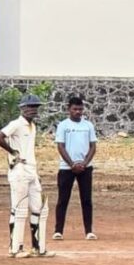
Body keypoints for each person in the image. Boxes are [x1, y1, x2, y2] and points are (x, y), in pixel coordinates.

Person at [0, 94, 52, 257]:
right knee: (19, 209)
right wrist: (13, 152)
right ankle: (15, 248)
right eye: (30, 107)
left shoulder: (32, 126)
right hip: (19, 170)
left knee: (38, 208)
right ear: (22, 108)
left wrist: (35, 171)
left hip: (31, 169)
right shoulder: (16, 124)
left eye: (36, 107)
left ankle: (38, 247)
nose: (33, 110)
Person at [54, 96, 98, 240]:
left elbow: (93, 146)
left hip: (85, 168)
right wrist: (72, 164)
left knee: (86, 200)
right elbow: (60, 146)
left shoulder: (88, 125)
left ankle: (89, 231)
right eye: (75, 109)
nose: (78, 112)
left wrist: (84, 163)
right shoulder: (63, 125)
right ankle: (58, 230)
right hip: (66, 168)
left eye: (80, 109)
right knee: (63, 199)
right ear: (69, 109)